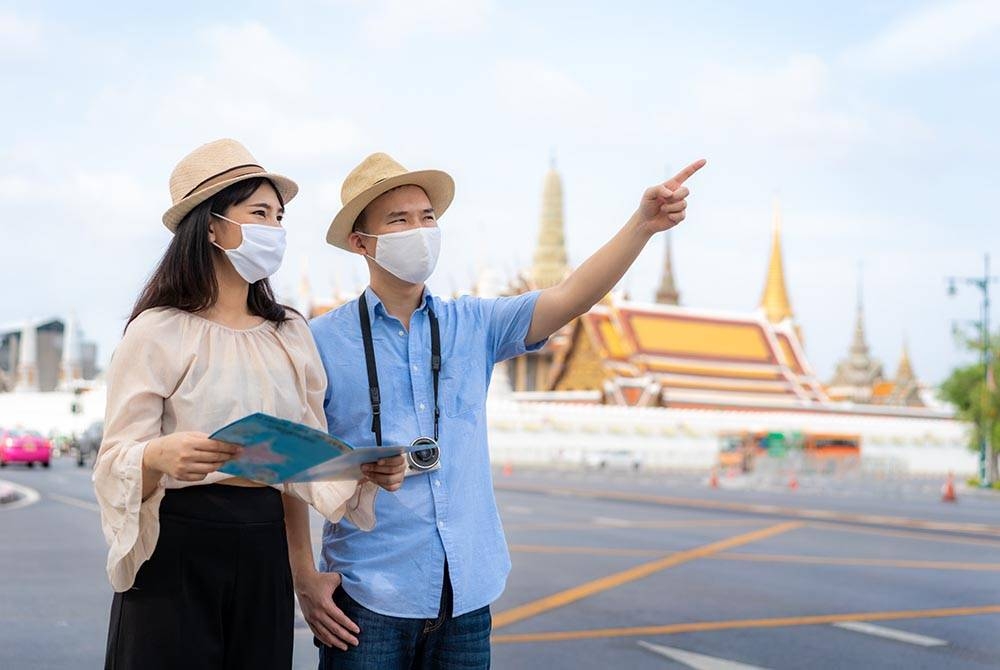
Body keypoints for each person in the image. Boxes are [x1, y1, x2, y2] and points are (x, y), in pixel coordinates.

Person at [303, 152, 705, 668]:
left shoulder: (474, 324)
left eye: (428, 218)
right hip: (368, 596)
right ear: (361, 243)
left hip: (468, 592)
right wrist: (305, 579)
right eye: (399, 221)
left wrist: (642, 226)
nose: (420, 231)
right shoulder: (319, 341)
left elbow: (570, 298)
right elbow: (295, 467)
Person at [93, 139, 405, 670]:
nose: (275, 229)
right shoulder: (157, 331)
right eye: (259, 213)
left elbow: (300, 457)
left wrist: (362, 468)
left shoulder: (289, 333)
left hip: (263, 546)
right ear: (211, 226)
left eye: (279, 217)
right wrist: (156, 456)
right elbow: (114, 457)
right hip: (179, 542)